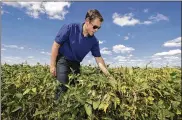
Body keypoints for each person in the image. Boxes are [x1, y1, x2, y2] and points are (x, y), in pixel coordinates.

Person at [50, 9, 115, 100]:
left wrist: (109, 76)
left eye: (98, 28)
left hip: (76, 64)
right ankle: (56, 109)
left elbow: (99, 59)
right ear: (87, 21)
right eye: (95, 27)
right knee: (62, 87)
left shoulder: (94, 41)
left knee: (75, 90)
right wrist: (52, 65)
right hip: (63, 59)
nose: (96, 30)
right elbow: (56, 45)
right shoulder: (70, 28)